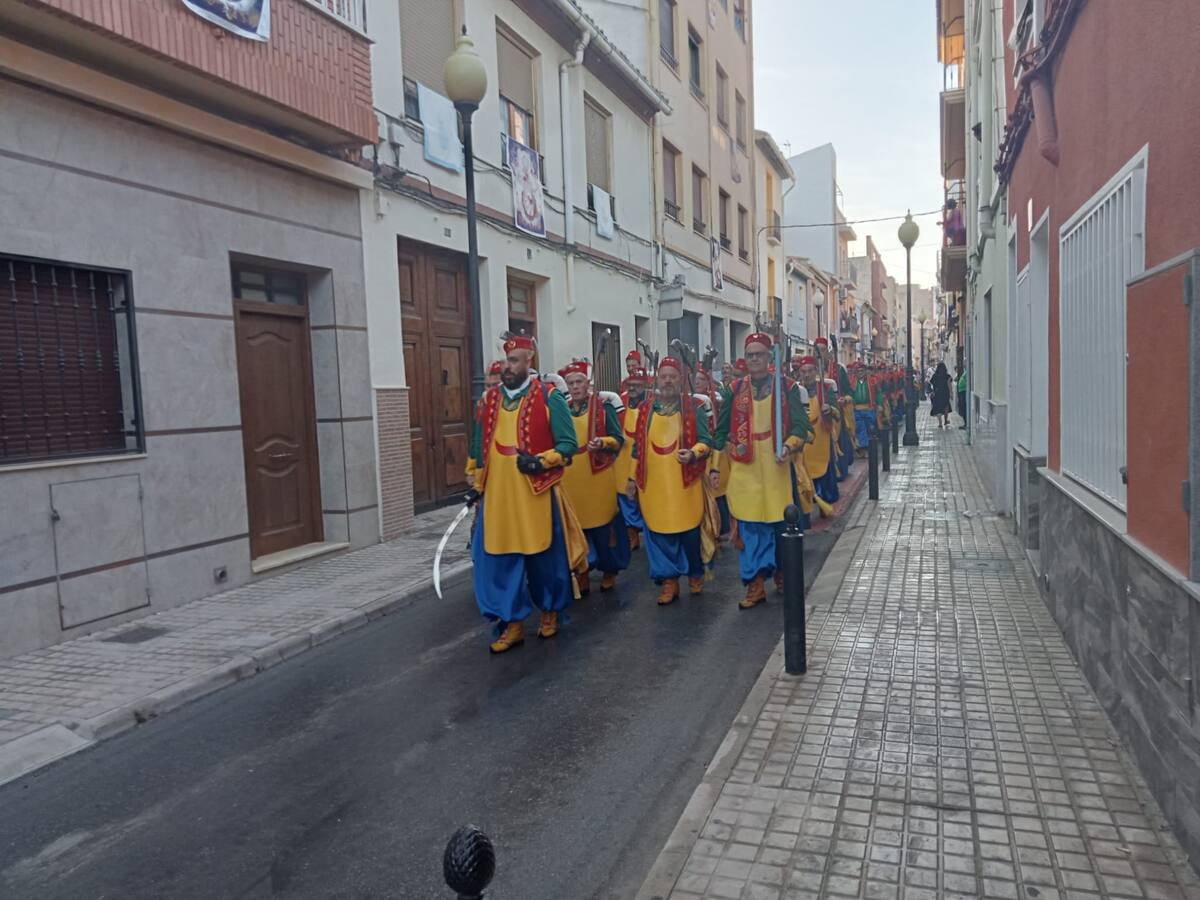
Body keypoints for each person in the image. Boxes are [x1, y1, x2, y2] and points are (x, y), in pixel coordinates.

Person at [469, 335, 588, 653]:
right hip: (497, 496)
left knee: (543, 558)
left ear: (529, 362)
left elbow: (567, 445)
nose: (509, 366)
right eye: (507, 360)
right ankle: (513, 623)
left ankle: (550, 612)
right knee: (499, 559)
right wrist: (477, 482)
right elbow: (479, 445)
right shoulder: (489, 400)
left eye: (516, 360)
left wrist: (541, 461)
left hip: (536, 491)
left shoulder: (550, 397)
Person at [713, 333, 810, 609]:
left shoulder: (788, 387)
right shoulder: (733, 390)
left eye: (759, 354)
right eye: (750, 354)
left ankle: (782, 574)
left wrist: (790, 446)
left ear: (769, 357)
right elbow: (720, 431)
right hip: (745, 466)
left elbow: (802, 428)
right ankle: (755, 583)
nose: (754, 359)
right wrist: (715, 467)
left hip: (777, 465)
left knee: (781, 525)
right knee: (749, 524)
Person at [626, 358, 717, 605]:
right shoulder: (646, 410)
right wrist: (632, 479)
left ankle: (695, 574)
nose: (667, 380)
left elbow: (707, 441)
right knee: (658, 534)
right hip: (653, 486)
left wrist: (694, 453)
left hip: (684, 485)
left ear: (680, 380)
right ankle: (669, 582)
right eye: (663, 376)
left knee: (688, 533)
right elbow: (637, 448)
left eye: (672, 376)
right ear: (657, 379)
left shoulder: (693, 407)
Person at [559, 360, 630, 594]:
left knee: (603, 528)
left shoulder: (602, 406)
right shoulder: (562, 409)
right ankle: (582, 571)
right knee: (576, 529)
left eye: (579, 382)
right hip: (571, 476)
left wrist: (603, 442)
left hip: (597, 475)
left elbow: (618, 439)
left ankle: (609, 569)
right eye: (571, 383)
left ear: (587, 384)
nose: (575, 387)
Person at [797, 355, 839, 513]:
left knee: (824, 471)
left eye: (809, 371)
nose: (806, 375)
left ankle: (824, 502)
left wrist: (830, 409)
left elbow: (837, 413)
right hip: (804, 439)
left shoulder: (826, 389)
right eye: (803, 372)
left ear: (815, 371)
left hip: (822, 437)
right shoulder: (796, 390)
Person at [616, 366, 649, 550]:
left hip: (644, 456)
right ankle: (632, 533)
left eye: (637, 385)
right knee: (626, 497)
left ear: (644, 385)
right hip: (623, 457)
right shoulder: (620, 401)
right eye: (631, 384)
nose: (633, 388)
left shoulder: (652, 402)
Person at [930, 361, 953, 428]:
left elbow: (931, 382)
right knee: (946, 406)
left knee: (938, 407)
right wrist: (951, 393)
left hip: (937, 392)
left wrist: (934, 390)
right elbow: (949, 385)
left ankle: (940, 423)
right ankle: (945, 421)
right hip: (945, 393)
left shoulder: (935, 375)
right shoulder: (947, 376)